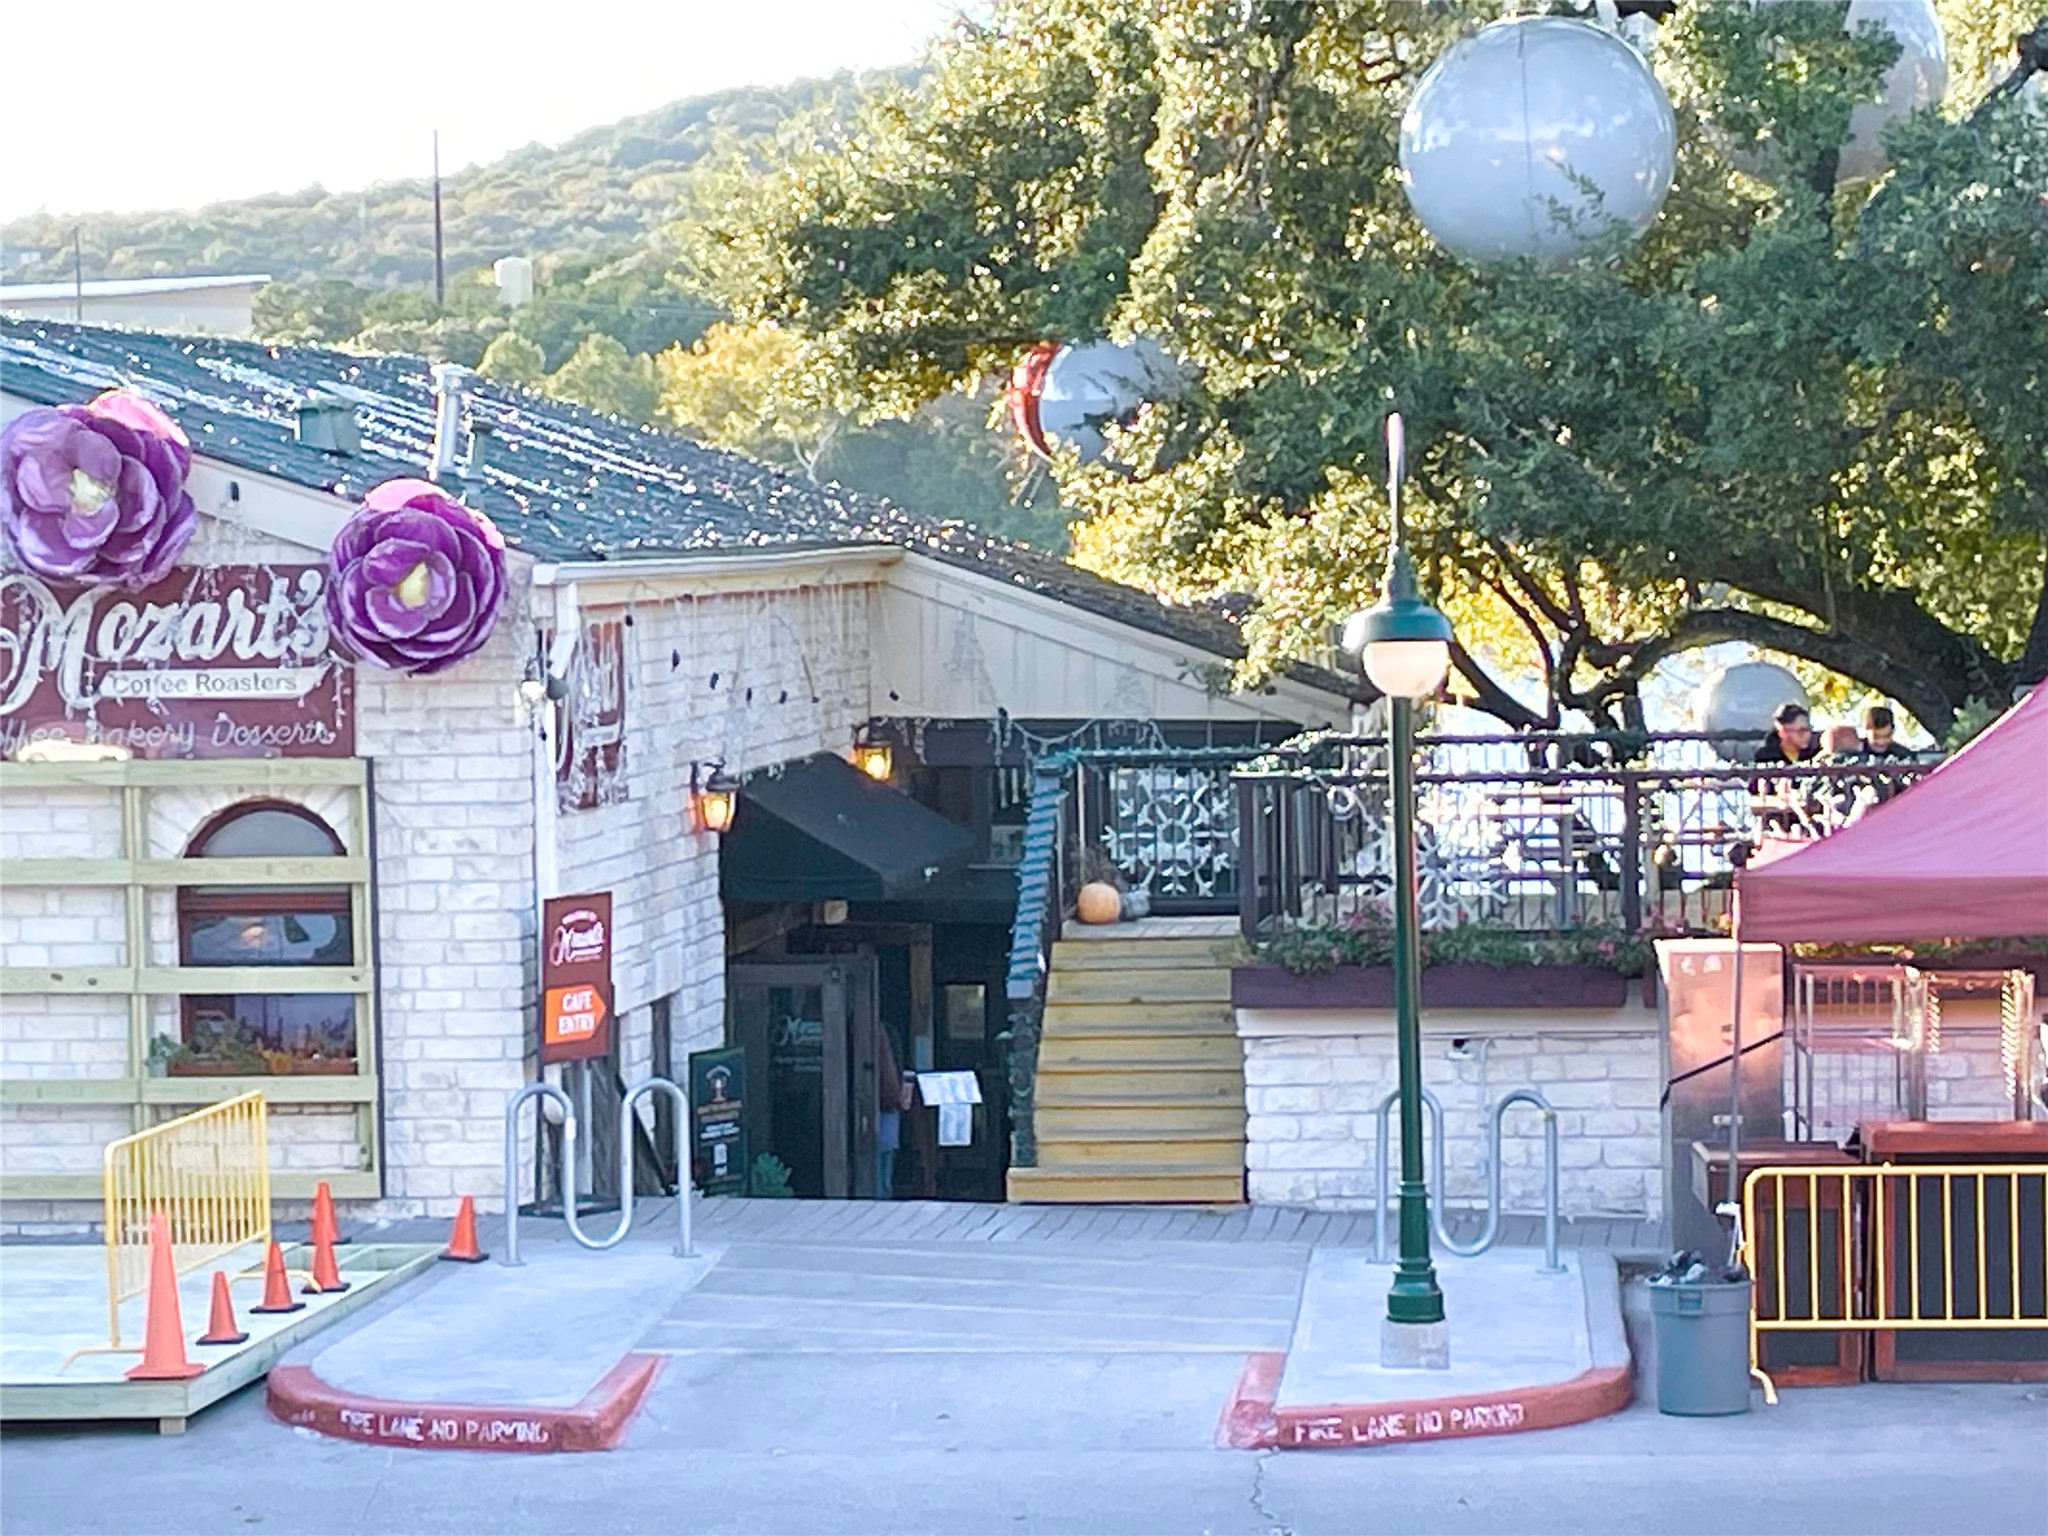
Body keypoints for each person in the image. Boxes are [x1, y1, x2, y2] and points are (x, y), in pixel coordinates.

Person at [1751, 703, 1818, 832]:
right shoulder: (1766, 756)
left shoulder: (1814, 754)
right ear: (1782, 730)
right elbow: (1755, 793)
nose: (1807, 735)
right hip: (1777, 822)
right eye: (1801, 731)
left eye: (1808, 730)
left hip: (1810, 818)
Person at [875, 1025, 905, 1200]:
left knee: (881, 1155)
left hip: (885, 1102)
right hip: (889, 1104)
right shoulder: (887, 1034)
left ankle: (880, 1197)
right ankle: (884, 1195)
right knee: (886, 1155)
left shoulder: (880, 1033)